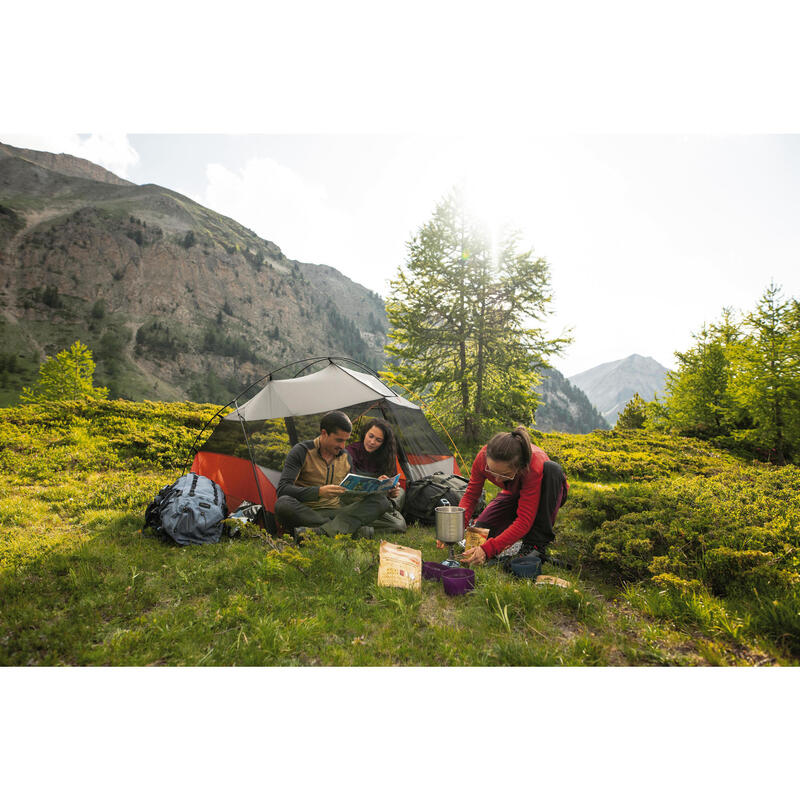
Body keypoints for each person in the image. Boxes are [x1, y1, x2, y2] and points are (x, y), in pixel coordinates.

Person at [457, 426, 568, 568]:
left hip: (548, 492)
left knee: (552, 469)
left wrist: (488, 550)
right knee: (481, 532)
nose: (496, 480)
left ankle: (535, 545)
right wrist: (457, 525)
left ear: (519, 468)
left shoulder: (533, 466)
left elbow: (524, 520)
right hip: (515, 493)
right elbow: (471, 495)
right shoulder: (483, 456)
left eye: (503, 475)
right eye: (491, 471)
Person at [274, 410, 392, 540]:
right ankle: (346, 530)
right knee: (283, 504)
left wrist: (375, 487)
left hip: (338, 511)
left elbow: (350, 492)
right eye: (339, 440)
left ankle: (320, 533)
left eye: (346, 441)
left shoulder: (346, 457)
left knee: (380, 501)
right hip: (307, 511)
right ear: (324, 433)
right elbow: (283, 489)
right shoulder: (301, 451)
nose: (343, 446)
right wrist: (318, 492)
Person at [346, 418, 407, 533]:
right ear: (365, 433)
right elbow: (349, 487)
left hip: (380, 498)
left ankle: (387, 509)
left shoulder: (387, 455)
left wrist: (392, 490)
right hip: (356, 500)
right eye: (371, 436)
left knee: (401, 493)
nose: (372, 442)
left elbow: (391, 482)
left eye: (378, 440)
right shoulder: (351, 451)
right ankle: (363, 527)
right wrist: (374, 483)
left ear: (384, 443)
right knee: (398, 525)